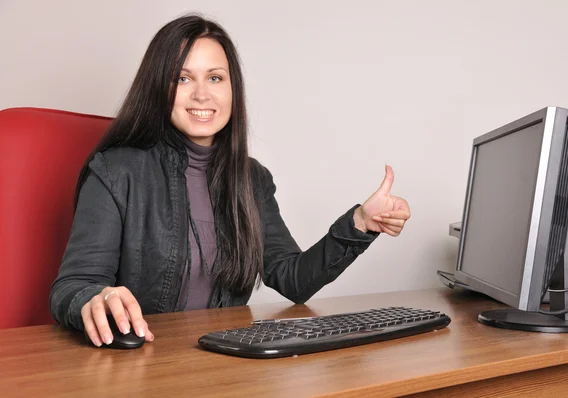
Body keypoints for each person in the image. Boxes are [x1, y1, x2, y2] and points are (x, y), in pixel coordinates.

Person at [49, 14, 411, 348]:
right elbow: (72, 286)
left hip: (222, 361)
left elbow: (292, 278)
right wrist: (96, 298)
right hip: (143, 362)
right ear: (159, 87)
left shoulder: (252, 180)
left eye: (215, 78)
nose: (202, 94)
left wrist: (359, 223)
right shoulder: (116, 171)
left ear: (232, 89)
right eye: (183, 78)